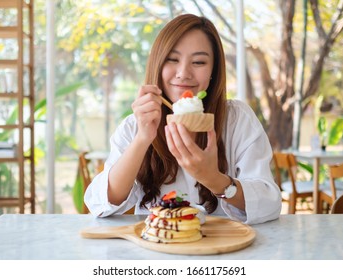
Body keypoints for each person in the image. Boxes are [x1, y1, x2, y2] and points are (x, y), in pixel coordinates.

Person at [84, 14, 281, 224]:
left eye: (198, 62)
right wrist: (142, 139)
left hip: (224, 249)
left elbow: (269, 203)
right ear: (157, 64)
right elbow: (100, 204)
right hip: (159, 248)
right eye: (172, 59)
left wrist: (214, 179)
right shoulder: (135, 126)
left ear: (213, 70)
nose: (183, 73)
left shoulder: (236, 119)